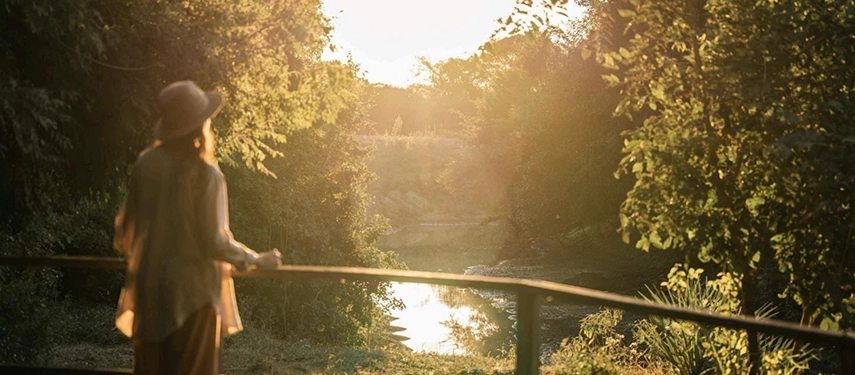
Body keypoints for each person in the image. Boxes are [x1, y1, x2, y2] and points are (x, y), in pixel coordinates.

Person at [113, 80, 281, 374]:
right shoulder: (205, 175)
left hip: (150, 293)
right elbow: (214, 241)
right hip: (194, 299)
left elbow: (125, 232)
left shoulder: (146, 165)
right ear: (199, 124)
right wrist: (255, 260)